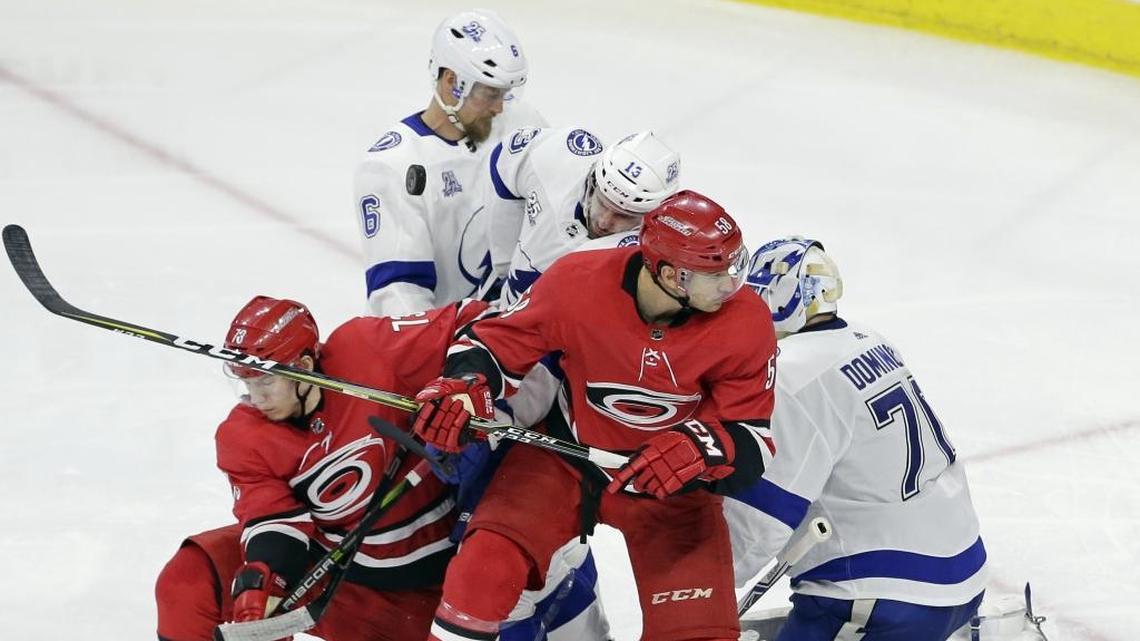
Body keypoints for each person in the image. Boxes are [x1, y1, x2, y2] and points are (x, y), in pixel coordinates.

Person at [412, 190, 779, 641]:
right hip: (564, 457)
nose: (730, 284)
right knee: (481, 573)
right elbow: (493, 344)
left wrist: (700, 448)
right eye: (714, 273)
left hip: (666, 485)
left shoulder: (746, 322)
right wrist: (465, 389)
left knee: (698, 633)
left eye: (731, 266)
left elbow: (751, 439)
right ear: (668, 274)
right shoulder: (578, 281)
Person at [154, 297, 609, 641]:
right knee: (190, 578)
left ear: (307, 365)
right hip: (349, 580)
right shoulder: (243, 435)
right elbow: (273, 519)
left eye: (267, 380)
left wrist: (462, 385)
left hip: (444, 577)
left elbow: (480, 321)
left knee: (503, 571)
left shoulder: (368, 350)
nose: (257, 397)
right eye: (247, 382)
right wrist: (263, 582)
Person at [725, 237, 987, 641]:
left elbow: (759, 527)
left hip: (883, 599)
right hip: (962, 572)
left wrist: (696, 583)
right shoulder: (869, 339)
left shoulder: (792, 376)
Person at [355, 9, 548, 317]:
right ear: (451, 82)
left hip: (518, 328)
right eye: (489, 94)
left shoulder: (520, 125)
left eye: (505, 94)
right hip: (449, 343)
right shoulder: (394, 165)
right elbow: (399, 293)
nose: (499, 107)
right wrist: (448, 351)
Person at [483, 127, 681, 307]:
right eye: (602, 203)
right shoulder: (560, 160)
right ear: (592, 182)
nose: (604, 222)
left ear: (651, 216)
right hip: (505, 310)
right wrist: (503, 262)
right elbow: (506, 158)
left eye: (624, 216)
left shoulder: (658, 254)